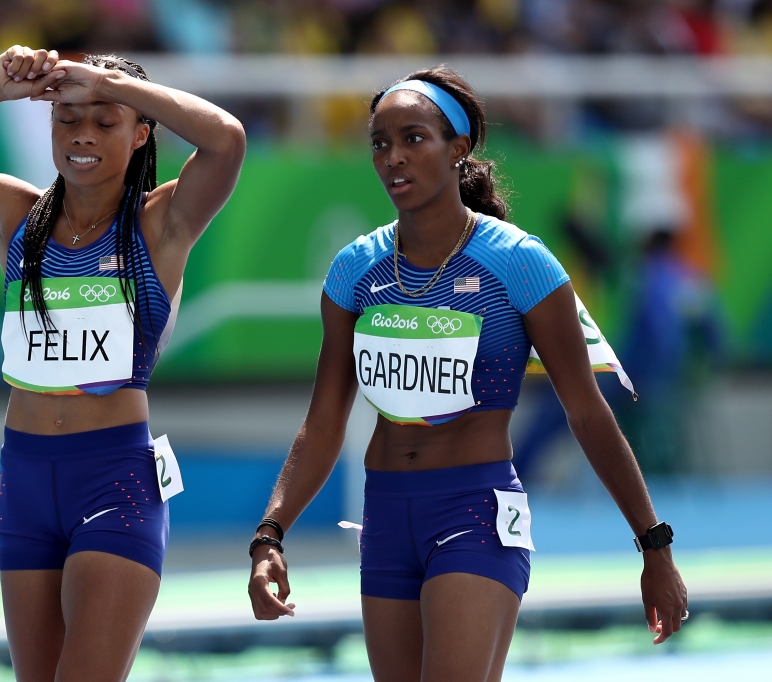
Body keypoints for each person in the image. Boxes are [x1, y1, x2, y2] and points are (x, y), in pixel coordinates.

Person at [246, 66, 687, 682]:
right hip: (386, 517)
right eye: (380, 142)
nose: (393, 157)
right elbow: (322, 424)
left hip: (476, 513)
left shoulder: (519, 264)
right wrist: (270, 534)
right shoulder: (355, 271)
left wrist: (654, 546)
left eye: (413, 138)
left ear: (459, 149)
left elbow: (587, 411)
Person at [0, 46, 245, 682]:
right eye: (66, 119)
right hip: (26, 483)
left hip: (115, 482)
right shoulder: (13, 214)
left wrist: (110, 80)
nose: (82, 135)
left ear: (141, 132)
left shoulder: (162, 222)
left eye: (105, 121)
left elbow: (225, 140)